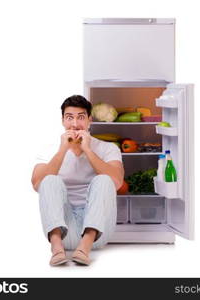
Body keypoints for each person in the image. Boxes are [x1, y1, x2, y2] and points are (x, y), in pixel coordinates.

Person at [31, 95, 124, 266]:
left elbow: (116, 182)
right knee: (50, 180)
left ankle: (84, 247)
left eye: (81, 117)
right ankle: (56, 248)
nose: (75, 124)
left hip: (98, 232)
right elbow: (38, 185)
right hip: (64, 229)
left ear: (89, 120)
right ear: (62, 121)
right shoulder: (50, 149)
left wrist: (87, 150)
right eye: (69, 117)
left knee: (104, 179)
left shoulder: (107, 148)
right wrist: (63, 149)